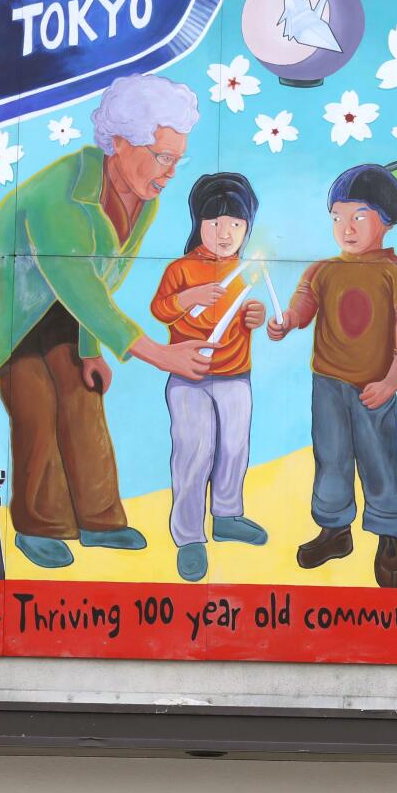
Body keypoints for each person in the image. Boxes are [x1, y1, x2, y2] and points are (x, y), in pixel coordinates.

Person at [0, 74, 210, 570]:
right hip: (17, 314)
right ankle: (40, 525)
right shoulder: (58, 196)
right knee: (36, 408)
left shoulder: (143, 196)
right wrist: (158, 352)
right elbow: (76, 282)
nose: (170, 171)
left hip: (71, 310)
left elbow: (97, 283)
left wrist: (89, 349)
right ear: (122, 144)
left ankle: (100, 520)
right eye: (162, 155)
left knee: (84, 400)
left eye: (178, 158)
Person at [267, 164, 397, 588]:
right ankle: (334, 531)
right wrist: (285, 322)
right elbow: (300, 309)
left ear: (386, 221)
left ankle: (391, 535)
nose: (346, 227)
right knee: (331, 458)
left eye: (359, 216)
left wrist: (389, 383)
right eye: (337, 217)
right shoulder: (321, 271)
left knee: (382, 461)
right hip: (328, 385)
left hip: (375, 386)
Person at [149, 171, 269, 582]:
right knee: (193, 453)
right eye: (216, 222)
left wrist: (256, 316)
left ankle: (228, 514)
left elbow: (246, 316)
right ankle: (188, 537)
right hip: (190, 378)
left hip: (237, 374)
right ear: (198, 223)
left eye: (236, 224)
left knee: (234, 448)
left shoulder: (245, 270)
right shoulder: (181, 269)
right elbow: (160, 309)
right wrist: (188, 298)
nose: (225, 232)